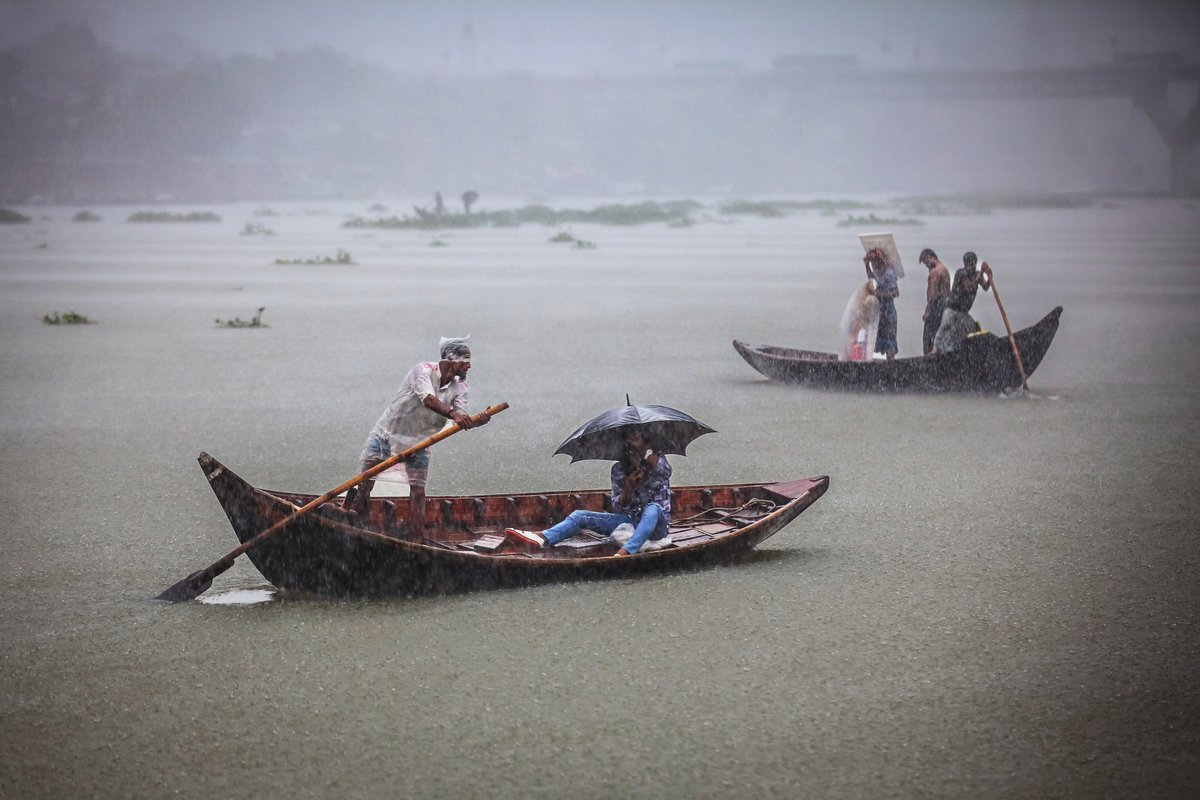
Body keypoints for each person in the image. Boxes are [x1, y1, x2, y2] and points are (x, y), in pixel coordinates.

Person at [342, 336, 486, 531]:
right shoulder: (423, 371)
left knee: (418, 491)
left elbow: (460, 417)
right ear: (451, 359)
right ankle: (353, 522)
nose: (469, 366)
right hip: (387, 435)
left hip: (418, 443)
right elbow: (428, 400)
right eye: (465, 360)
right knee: (366, 482)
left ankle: (417, 534)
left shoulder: (460, 387)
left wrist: (477, 421)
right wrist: (453, 414)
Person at [505, 428, 672, 556]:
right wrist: (628, 489)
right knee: (580, 516)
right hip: (631, 522)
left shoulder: (658, 461)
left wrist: (647, 459)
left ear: (646, 443)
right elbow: (619, 509)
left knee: (652, 509)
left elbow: (666, 471)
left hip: (657, 528)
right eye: (627, 439)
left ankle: (626, 552)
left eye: (635, 438)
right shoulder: (619, 470)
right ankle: (543, 537)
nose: (630, 443)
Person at [931, 252, 992, 354]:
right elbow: (969, 287)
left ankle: (956, 352)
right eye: (967, 265)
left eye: (972, 265)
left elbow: (985, 287)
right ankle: (935, 350)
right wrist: (981, 273)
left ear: (975, 264)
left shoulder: (977, 275)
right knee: (944, 328)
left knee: (964, 331)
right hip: (952, 308)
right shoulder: (961, 273)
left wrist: (989, 275)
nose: (970, 268)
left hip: (963, 312)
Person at [864, 247, 899, 360]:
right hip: (879, 312)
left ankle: (891, 364)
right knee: (876, 338)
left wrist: (879, 294)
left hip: (888, 313)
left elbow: (895, 293)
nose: (873, 266)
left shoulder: (889, 272)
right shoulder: (878, 272)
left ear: (879, 261)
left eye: (873, 263)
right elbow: (872, 279)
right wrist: (866, 265)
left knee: (890, 341)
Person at [920, 248, 951, 356]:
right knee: (939, 336)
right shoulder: (945, 270)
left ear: (929, 257)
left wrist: (927, 311)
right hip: (945, 305)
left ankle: (929, 359)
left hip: (936, 306)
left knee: (928, 338)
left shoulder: (935, 272)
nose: (927, 266)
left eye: (926, 263)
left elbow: (932, 294)